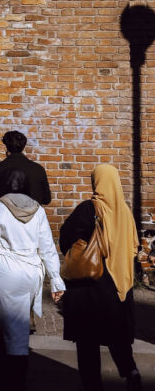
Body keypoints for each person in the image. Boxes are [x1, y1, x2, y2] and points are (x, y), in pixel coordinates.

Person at [0, 170, 65, 390]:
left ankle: (10, 379)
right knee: (18, 327)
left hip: (5, 274)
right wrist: (55, 279)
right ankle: (12, 375)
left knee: (11, 331)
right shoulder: (39, 211)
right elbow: (47, 248)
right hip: (31, 273)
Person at [60, 165, 142, 391]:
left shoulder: (90, 208)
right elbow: (134, 247)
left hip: (92, 284)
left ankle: (92, 385)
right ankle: (131, 370)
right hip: (120, 284)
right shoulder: (125, 212)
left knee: (88, 341)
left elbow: (66, 239)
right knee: (118, 335)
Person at [0, 130, 51, 208]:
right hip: (32, 216)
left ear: (6, 148)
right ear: (23, 147)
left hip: (4, 216)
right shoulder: (38, 169)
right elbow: (46, 199)